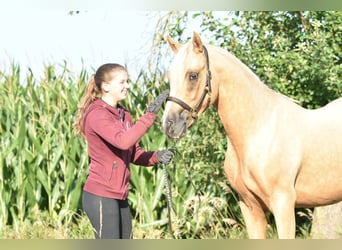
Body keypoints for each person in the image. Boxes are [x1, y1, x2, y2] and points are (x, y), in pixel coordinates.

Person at [74, 63, 174, 239]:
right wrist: (149, 115)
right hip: (101, 195)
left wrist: (157, 157)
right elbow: (122, 141)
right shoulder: (97, 114)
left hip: (120, 196)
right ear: (105, 87)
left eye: (127, 81)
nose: (127, 86)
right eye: (122, 82)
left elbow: (133, 152)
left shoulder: (124, 114)